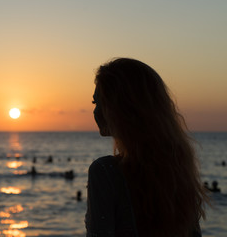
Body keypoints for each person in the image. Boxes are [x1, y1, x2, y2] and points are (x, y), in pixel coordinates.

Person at [86, 58, 209, 237]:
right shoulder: (178, 173)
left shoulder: (105, 171)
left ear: (123, 108)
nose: (95, 111)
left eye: (99, 103)